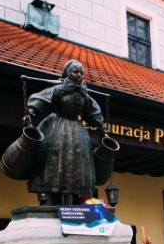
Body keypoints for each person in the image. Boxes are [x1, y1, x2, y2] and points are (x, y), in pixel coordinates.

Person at [20, 60, 109, 205]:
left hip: (78, 133)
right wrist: (31, 111)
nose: (79, 75)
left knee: (77, 164)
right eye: (75, 71)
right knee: (54, 160)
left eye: (81, 72)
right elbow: (42, 98)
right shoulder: (59, 89)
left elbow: (93, 111)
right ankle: (49, 196)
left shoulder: (83, 93)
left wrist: (101, 126)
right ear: (66, 73)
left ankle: (75, 199)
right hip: (57, 129)